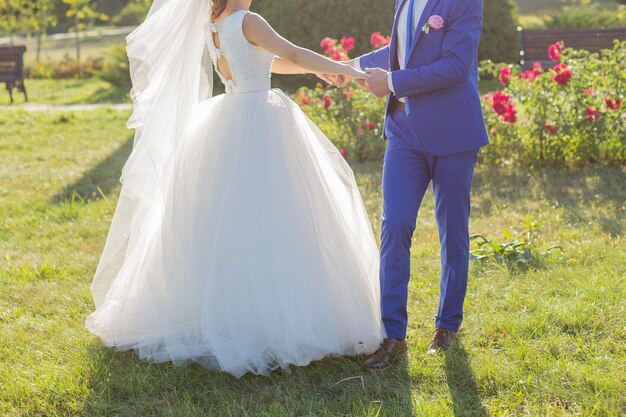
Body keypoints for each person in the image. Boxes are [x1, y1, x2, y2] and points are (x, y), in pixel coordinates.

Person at [85, 0, 386, 378]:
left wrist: (319, 72)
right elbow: (290, 51)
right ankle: (271, 319)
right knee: (273, 214)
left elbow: (271, 61)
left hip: (228, 114)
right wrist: (349, 70)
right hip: (258, 120)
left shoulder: (214, 24)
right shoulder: (248, 20)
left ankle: (226, 309)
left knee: (230, 220)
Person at [329, 0, 489, 368]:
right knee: (395, 223)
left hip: (454, 134)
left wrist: (393, 82)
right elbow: (400, 49)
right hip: (404, 133)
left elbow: (455, 65)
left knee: (452, 232)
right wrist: (349, 67)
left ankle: (447, 326)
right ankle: (391, 335)